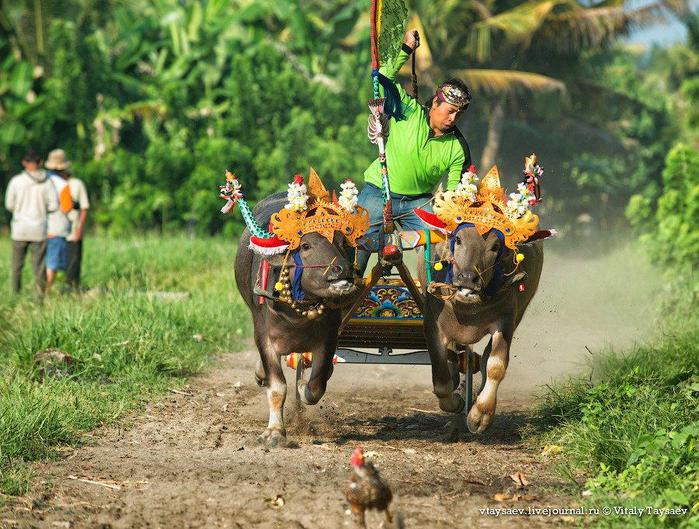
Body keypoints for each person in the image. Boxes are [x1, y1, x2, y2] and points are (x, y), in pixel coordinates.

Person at [357, 29, 472, 273]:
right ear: (435, 103)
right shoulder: (407, 110)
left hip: (419, 202)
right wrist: (406, 48)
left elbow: (453, 192)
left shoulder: (458, 147)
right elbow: (382, 75)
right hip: (379, 192)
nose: (453, 118)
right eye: (449, 110)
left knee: (442, 246)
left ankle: (436, 294)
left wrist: (448, 211)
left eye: (459, 114)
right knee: (355, 243)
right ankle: (348, 287)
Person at [4, 149, 59, 295]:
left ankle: (15, 294)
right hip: (39, 229)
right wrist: (42, 210)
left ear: (24, 163)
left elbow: (9, 204)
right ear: (40, 162)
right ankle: (39, 298)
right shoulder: (48, 182)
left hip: (20, 229)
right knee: (39, 267)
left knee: (17, 266)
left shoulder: (16, 181)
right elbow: (54, 205)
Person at [45, 149, 74, 291]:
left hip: (39, 227)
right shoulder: (63, 185)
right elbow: (67, 207)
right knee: (52, 263)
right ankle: (45, 291)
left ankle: (40, 289)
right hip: (56, 228)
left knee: (41, 262)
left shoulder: (41, 179)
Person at [64, 156, 90, 291]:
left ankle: (72, 288)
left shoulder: (77, 184)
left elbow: (84, 207)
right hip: (56, 230)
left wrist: (80, 227)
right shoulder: (52, 182)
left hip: (73, 228)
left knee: (74, 261)